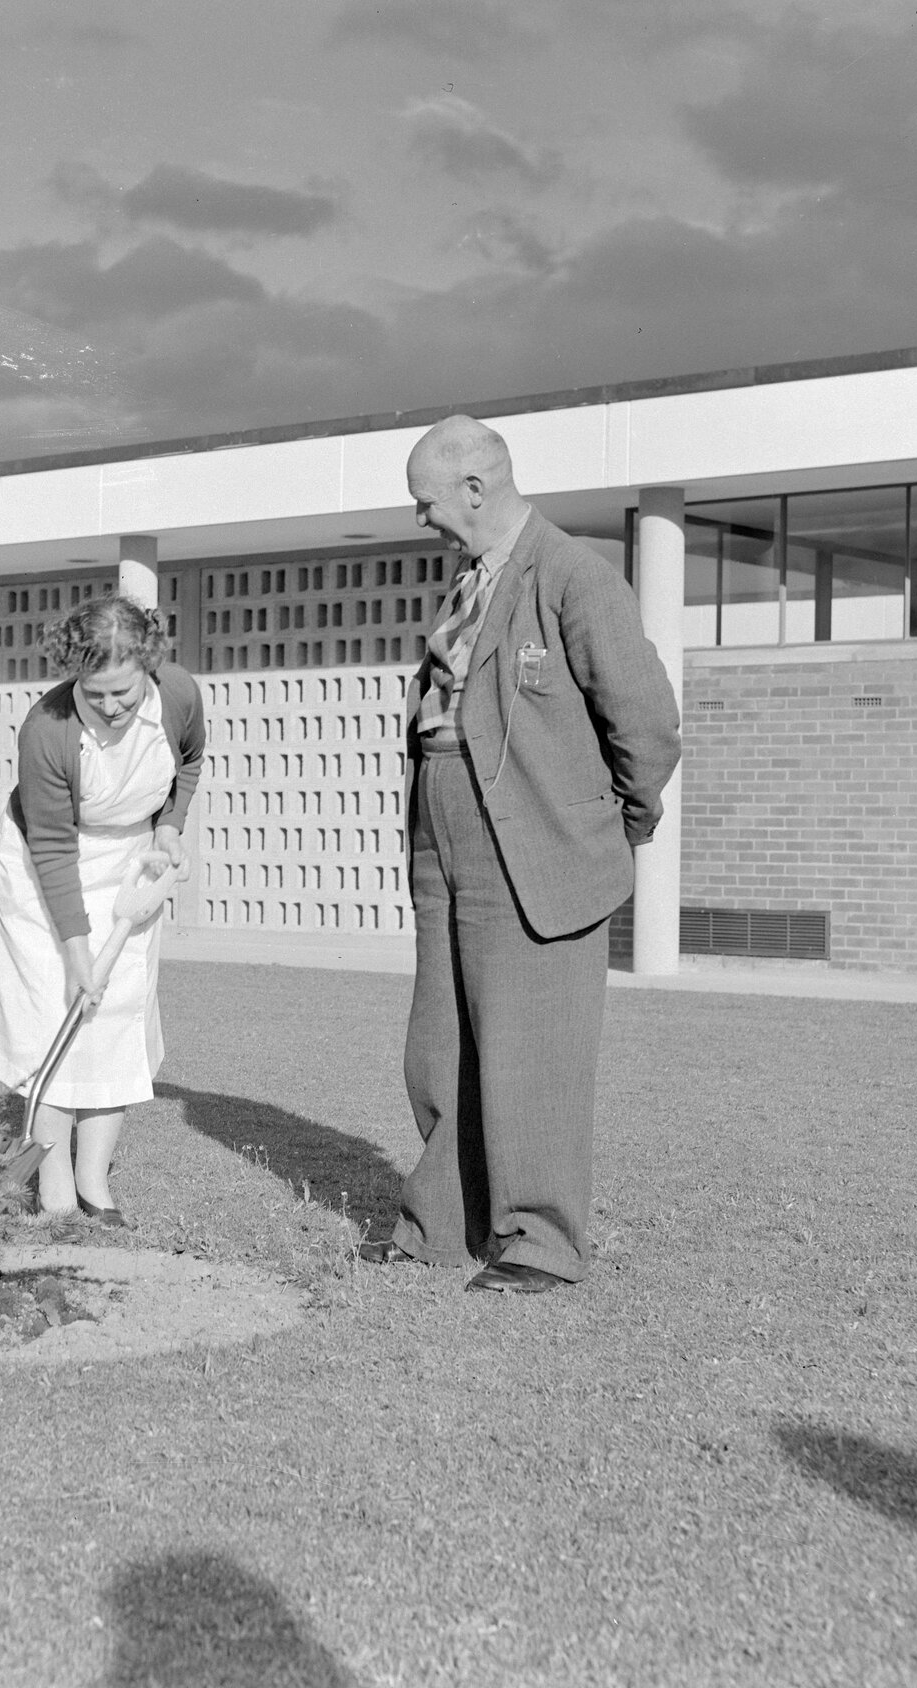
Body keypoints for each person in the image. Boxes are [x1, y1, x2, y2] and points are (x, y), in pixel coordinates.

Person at [388, 416, 680, 1292]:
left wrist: (607, 825)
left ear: (475, 489)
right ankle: (441, 1225)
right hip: (446, 827)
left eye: (427, 502)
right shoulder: (468, 584)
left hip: (534, 836)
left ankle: (543, 1242)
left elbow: (648, 726)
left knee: (533, 1046)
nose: (423, 520)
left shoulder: (575, 577)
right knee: (442, 1040)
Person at [0, 597, 206, 1223]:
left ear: (149, 667)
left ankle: (94, 1185)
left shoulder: (178, 695)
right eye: (94, 693)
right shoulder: (46, 728)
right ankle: (52, 1193)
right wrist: (76, 952)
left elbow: (188, 762)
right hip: (40, 876)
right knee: (56, 1018)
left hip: (129, 869)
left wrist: (168, 828)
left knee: (114, 1019)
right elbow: (51, 849)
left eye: (122, 693)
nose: (110, 707)